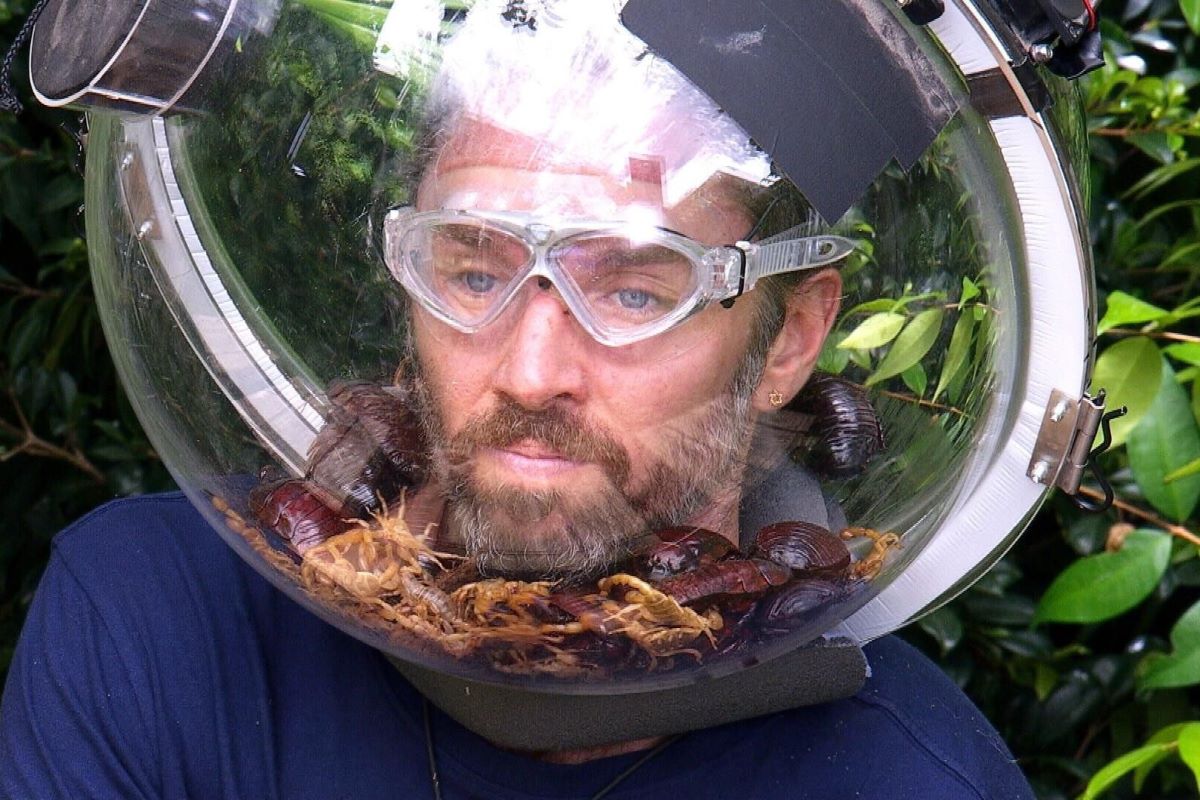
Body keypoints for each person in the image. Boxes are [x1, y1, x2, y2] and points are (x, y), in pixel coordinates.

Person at [1, 3, 1035, 797]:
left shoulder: (910, 778)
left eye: (635, 286)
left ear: (790, 340)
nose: (531, 370)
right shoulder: (163, 625)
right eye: (473, 269)